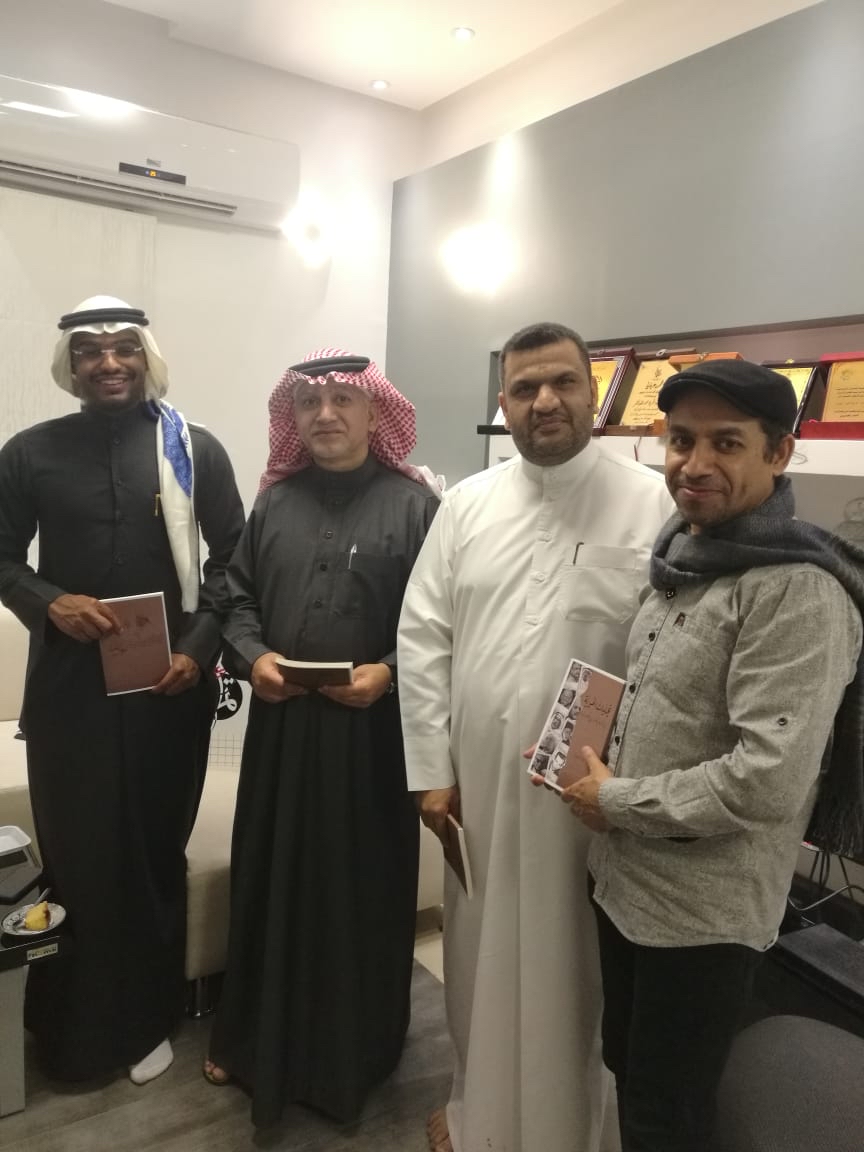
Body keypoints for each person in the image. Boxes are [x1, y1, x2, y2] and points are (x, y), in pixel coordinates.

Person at [563, 358, 864, 1151]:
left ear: (779, 452)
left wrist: (614, 800)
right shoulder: (683, 555)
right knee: (631, 1074)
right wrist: (580, 744)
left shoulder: (795, 590)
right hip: (624, 884)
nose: (694, 464)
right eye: (681, 440)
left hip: (701, 918)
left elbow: (766, 780)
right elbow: (661, 702)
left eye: (726, 443)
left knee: (669, 1113)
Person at [397, 322, 674, 1152]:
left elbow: (673, 649)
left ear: (594, 394)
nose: (544, 401)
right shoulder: (466, 506)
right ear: (504, 403)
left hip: (592, 794)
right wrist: (430, 770)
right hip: (478, 785)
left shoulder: (653, 504)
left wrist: (633, 779)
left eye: (563, 383)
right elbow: (422, 637)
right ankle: (477, 1111)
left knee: (576, 963)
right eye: (524, 389)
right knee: (476, 951)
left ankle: (574, 1131)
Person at [0, 296, 245, 1083]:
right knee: (78, 855)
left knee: (149, 854)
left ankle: (147, 1019)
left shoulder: (194, 449)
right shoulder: (29, 453)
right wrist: (48, 604)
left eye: (123, 348)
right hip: (69, 691)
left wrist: (198, 650)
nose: (108, 363)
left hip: (169, 690)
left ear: (146, 356)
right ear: (69, 365)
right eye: (90, 351)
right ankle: (73, 1029)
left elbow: (235, 563)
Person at [206, 350, 440, 1127]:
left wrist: (387, 672)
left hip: (372, 742)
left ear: (376, 413)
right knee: (270, 878)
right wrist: (253, 657)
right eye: (309, 402)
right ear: (293, 417)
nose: (326, 414)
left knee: (358, 889)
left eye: (343, 399)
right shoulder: (274, 503)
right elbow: (235, 598)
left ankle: (354, 1054)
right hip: (280, 734)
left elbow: (444, 624)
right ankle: (253, 1043)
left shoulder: (416, 509)